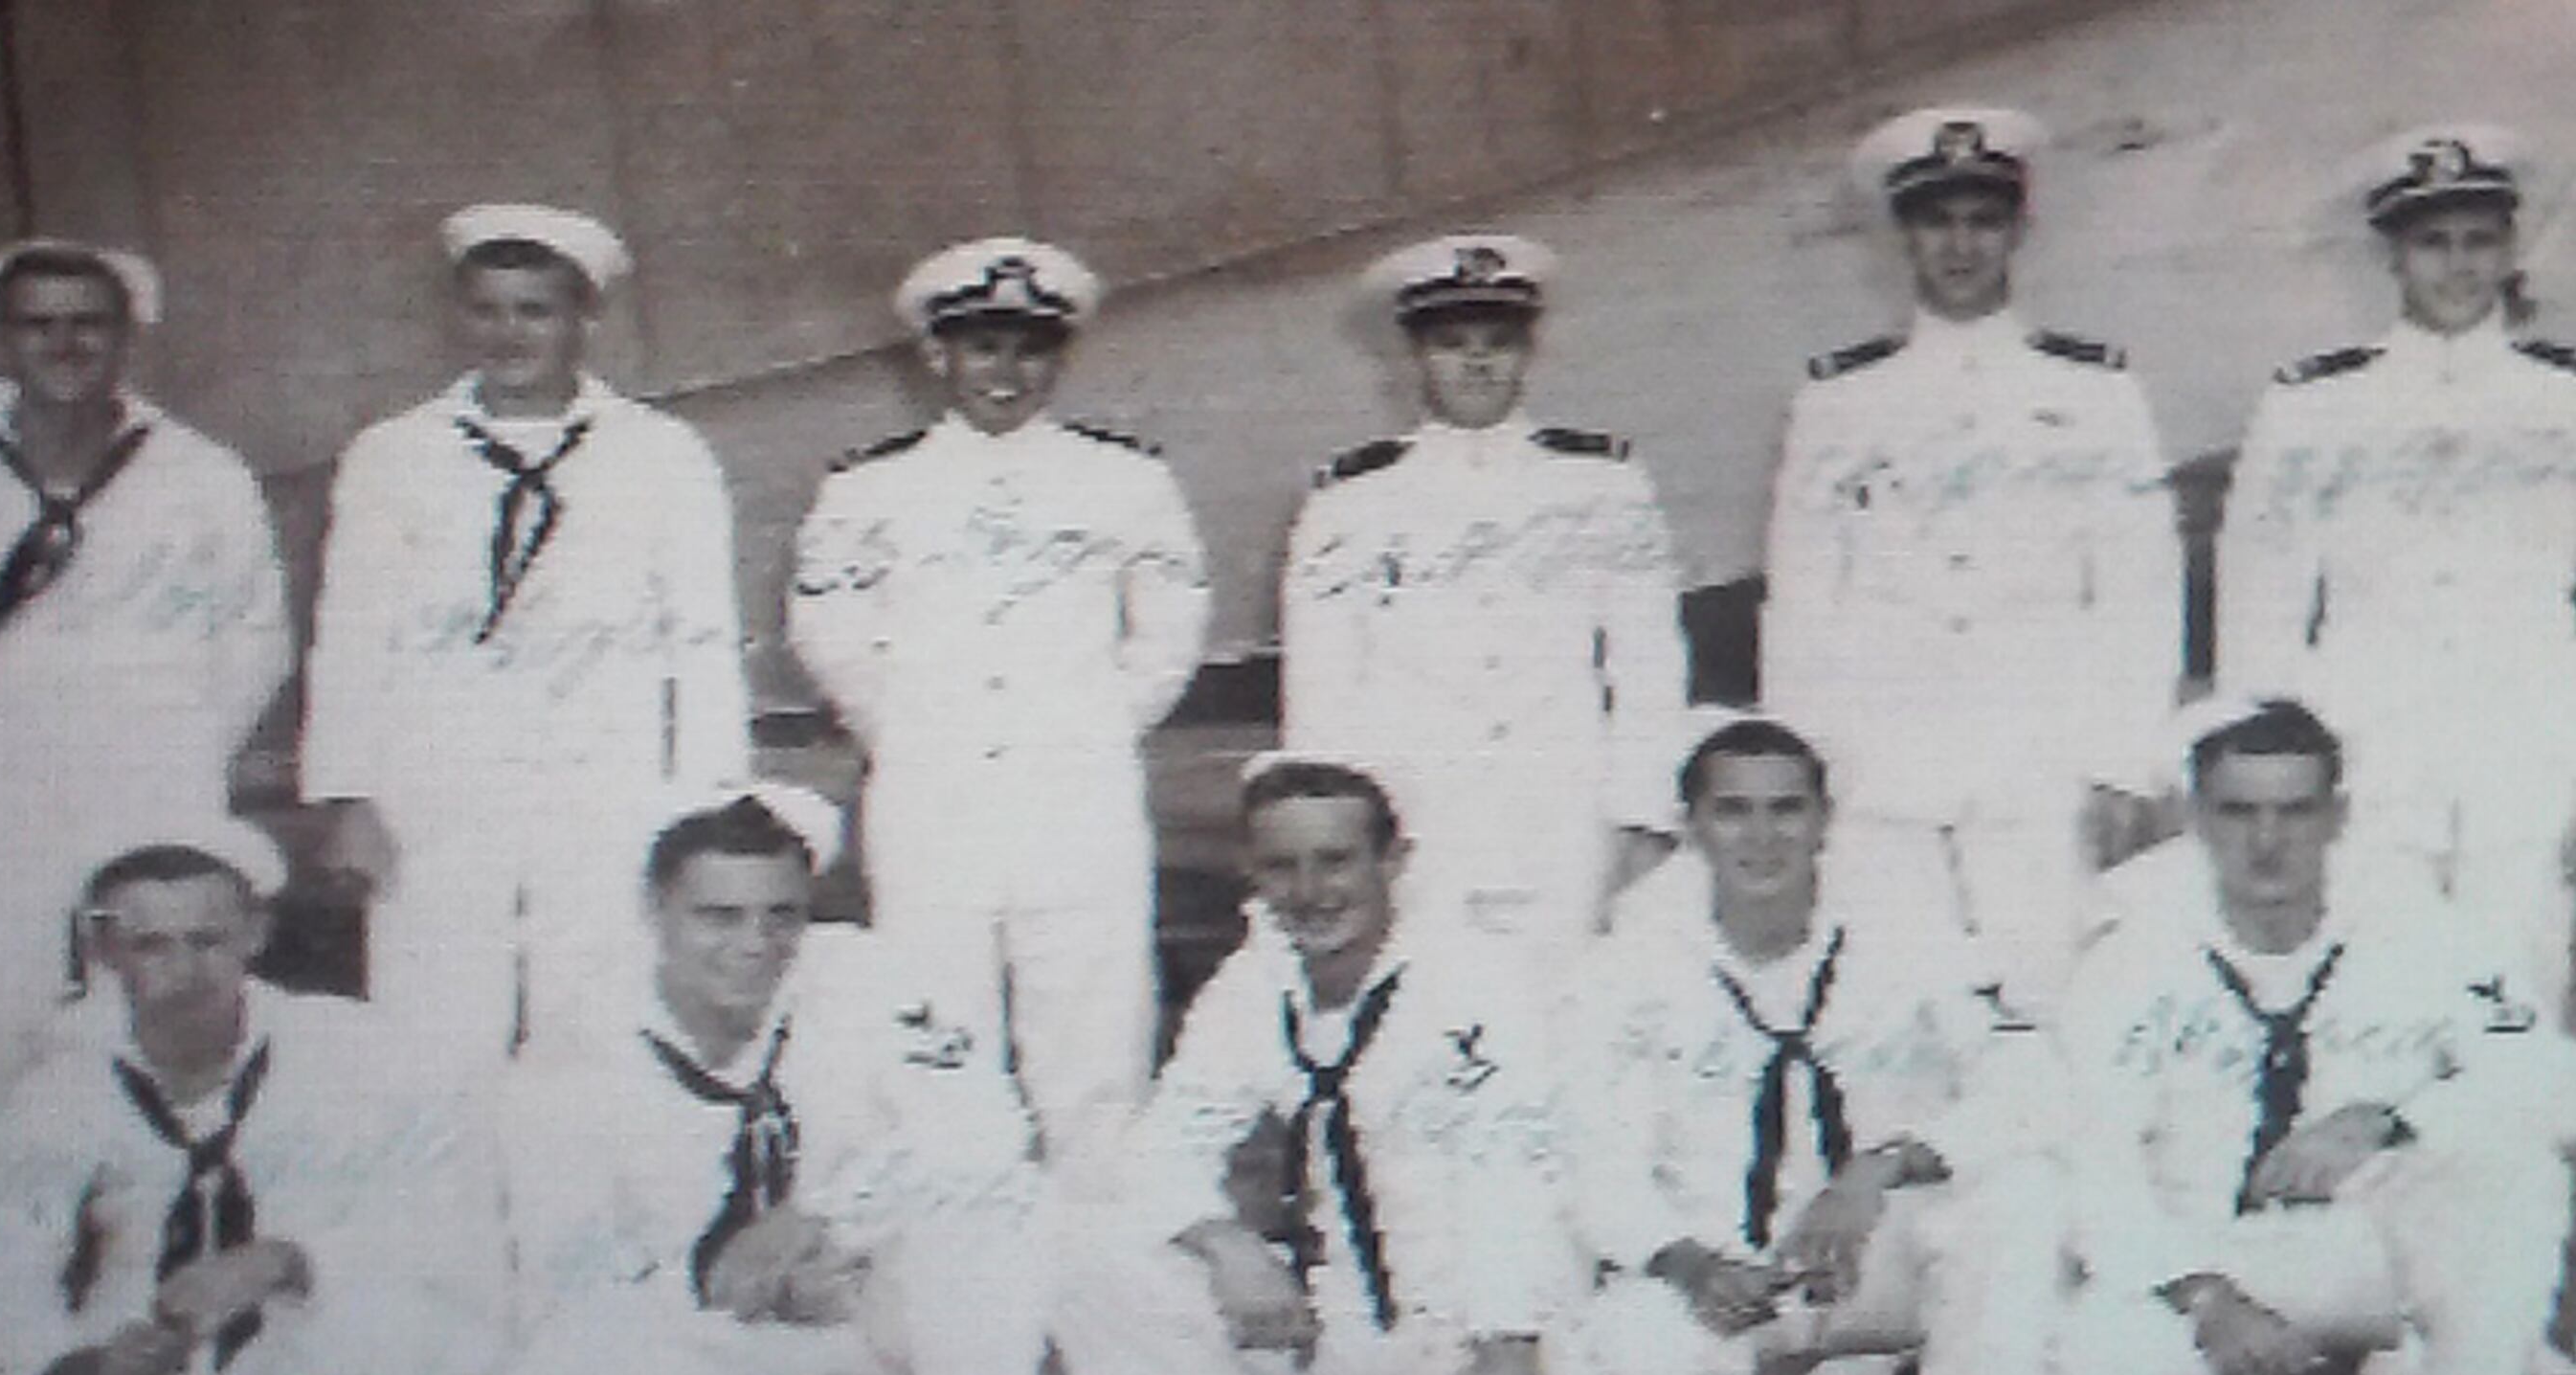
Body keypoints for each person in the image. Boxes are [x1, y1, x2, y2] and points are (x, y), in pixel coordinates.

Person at [0, 237, 292, 1375]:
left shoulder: (198, 474)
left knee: (164, 1031)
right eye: (37, 324)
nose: (64, 346)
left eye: (88, 323)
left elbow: (253, 634)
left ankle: (161, 1312)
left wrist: (173, 757)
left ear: (127, 333)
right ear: (2, 338)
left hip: (150, 774)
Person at [2049, 699, 2576, 1375]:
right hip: (2204, 1250)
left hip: (2368, 1239)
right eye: (2238, 811)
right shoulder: (2133, 951)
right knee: (2105, 1364)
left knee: (2515, 1171)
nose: (2268, 842)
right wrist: (2207, 1296)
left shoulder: (2419, 926)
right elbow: (2091, 1156)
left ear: (2338, 816)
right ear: (2195, 817)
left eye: (2295, 811)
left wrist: (2386, 1119)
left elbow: (2557, 1083)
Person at [478, 786, 1044, 1375]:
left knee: (991, 1207)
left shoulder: (862, 973)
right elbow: (564, 1267)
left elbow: (987, 1127)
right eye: (719, 915)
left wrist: (827, 1221)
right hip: (694, 1308)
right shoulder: (576, 1047)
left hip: (856, 1291)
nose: (756, 944)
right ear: (656, 911)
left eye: (782, 915)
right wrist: (708, 1274)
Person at [1047, 757, 1605, 1375]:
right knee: (1087, 1242)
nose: (1309, 890)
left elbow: (1510, 1175)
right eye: (1283, 864)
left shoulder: (1476, 980)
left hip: (1473, 1311)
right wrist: (1226, 1245)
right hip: (1327, 1305)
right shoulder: (1255, 984)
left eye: (1336, 860)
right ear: (1255, 872)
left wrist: (1509, 1355)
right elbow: (1162, 1145)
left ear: (1393, 863)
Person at [0, 821, 493, 1375]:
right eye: (153, 944)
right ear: (105, 950)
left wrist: (290, 1256)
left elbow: (449, 1205)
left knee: (389, 1316)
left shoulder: (347, 1046)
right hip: (144, 1337)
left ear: (256, 934)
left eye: (209, 939)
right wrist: (81, 1361)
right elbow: (2, 1261)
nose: (186, 971)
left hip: (294, 1337)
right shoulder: (60, 1080)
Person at [1568, 718, 2077, 1375]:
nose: (1761, 837)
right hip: (1723, 1261)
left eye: (1785, 810)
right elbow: (1592, 1155)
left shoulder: (1903, 930)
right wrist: (1689, 1261)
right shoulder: (1629, 962)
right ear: (1690, 824)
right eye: (1732, 811)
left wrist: (1882, 1165)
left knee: (2019, 1194)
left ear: (1824, 819)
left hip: (1870, 1245)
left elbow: (2029, 1081)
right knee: (1642, 1353)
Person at [2209, 124, 2576, 1031]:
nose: (2458, 266)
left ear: (2510, 247)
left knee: (2516, 1009)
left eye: (2479, 240)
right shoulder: (2313, 403)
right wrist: (2271, 771)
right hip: (2362, 759)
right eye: (2433, 242)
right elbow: (2260, 603)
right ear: (2392, 253)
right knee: (2363, 1011)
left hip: (2529, 759)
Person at [788, 237, 1213, 1187]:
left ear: (1059, 356)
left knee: (1095, 1048)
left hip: (1078, 797)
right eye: (982, 347)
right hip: (931, 801)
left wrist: (1097, 723)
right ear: (938, 356)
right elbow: (828, 629)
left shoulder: (1126, 482)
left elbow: (1170, 628)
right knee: (937, 1042)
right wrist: (902, 729)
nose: (1005, 371)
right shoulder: (868, 487)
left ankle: (1101, 1266)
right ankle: (960, 1260)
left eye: (1028, 348)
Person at [1759, 105, 2188, 1019]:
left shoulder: (2094, 392)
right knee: (1894, 1005)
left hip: (2040, 755)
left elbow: (2139, 590)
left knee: (2052, 997)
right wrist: (1806, 772)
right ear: (1902, 235)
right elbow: (1800, 598)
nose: (1960, 245)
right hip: (1881, 762)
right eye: (1936, 221)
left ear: (2019, 230)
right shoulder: (1838, 401)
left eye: (1983, 220)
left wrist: (2121, 762)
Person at [302, 202, 750, 1065]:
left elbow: (702, 642)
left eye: (535, 310)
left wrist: (701, 805)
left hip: (604, 791)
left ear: (586, 317)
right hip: (435, 790)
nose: (507, 334)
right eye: (486, 309)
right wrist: (350, 796)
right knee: (431, 1027)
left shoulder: (661, 454)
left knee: (597, 1025)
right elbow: (351, 635)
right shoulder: (394, 455)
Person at [1280, 233, 1688, 962]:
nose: (1475, 361)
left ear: (1529, 352)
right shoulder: (1350, 502)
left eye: (1497, 341)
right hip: (1416, 820)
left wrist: (1643, 820)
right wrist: (1337, 845)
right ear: (1414, 356)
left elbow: (1649, 667)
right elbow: (1322, 691)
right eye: (1450, 342)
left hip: (1567, 816)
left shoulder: (1601, 484)